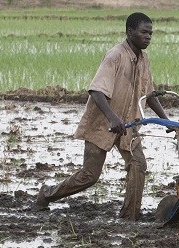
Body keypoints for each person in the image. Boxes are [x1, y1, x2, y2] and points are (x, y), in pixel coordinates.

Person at [33, 12, 168, 221]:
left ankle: (129, 217)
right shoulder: (115, 56)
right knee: (89, 176)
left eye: (150, 33)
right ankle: (47, 194)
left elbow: (149, 95)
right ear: (130, 32)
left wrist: (167, 121)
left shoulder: (143, 60)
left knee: (138, 165)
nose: (148, 37)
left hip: (128, 125)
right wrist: (113, 118)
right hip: (102, 123)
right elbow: (96, 91)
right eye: (144, 32)